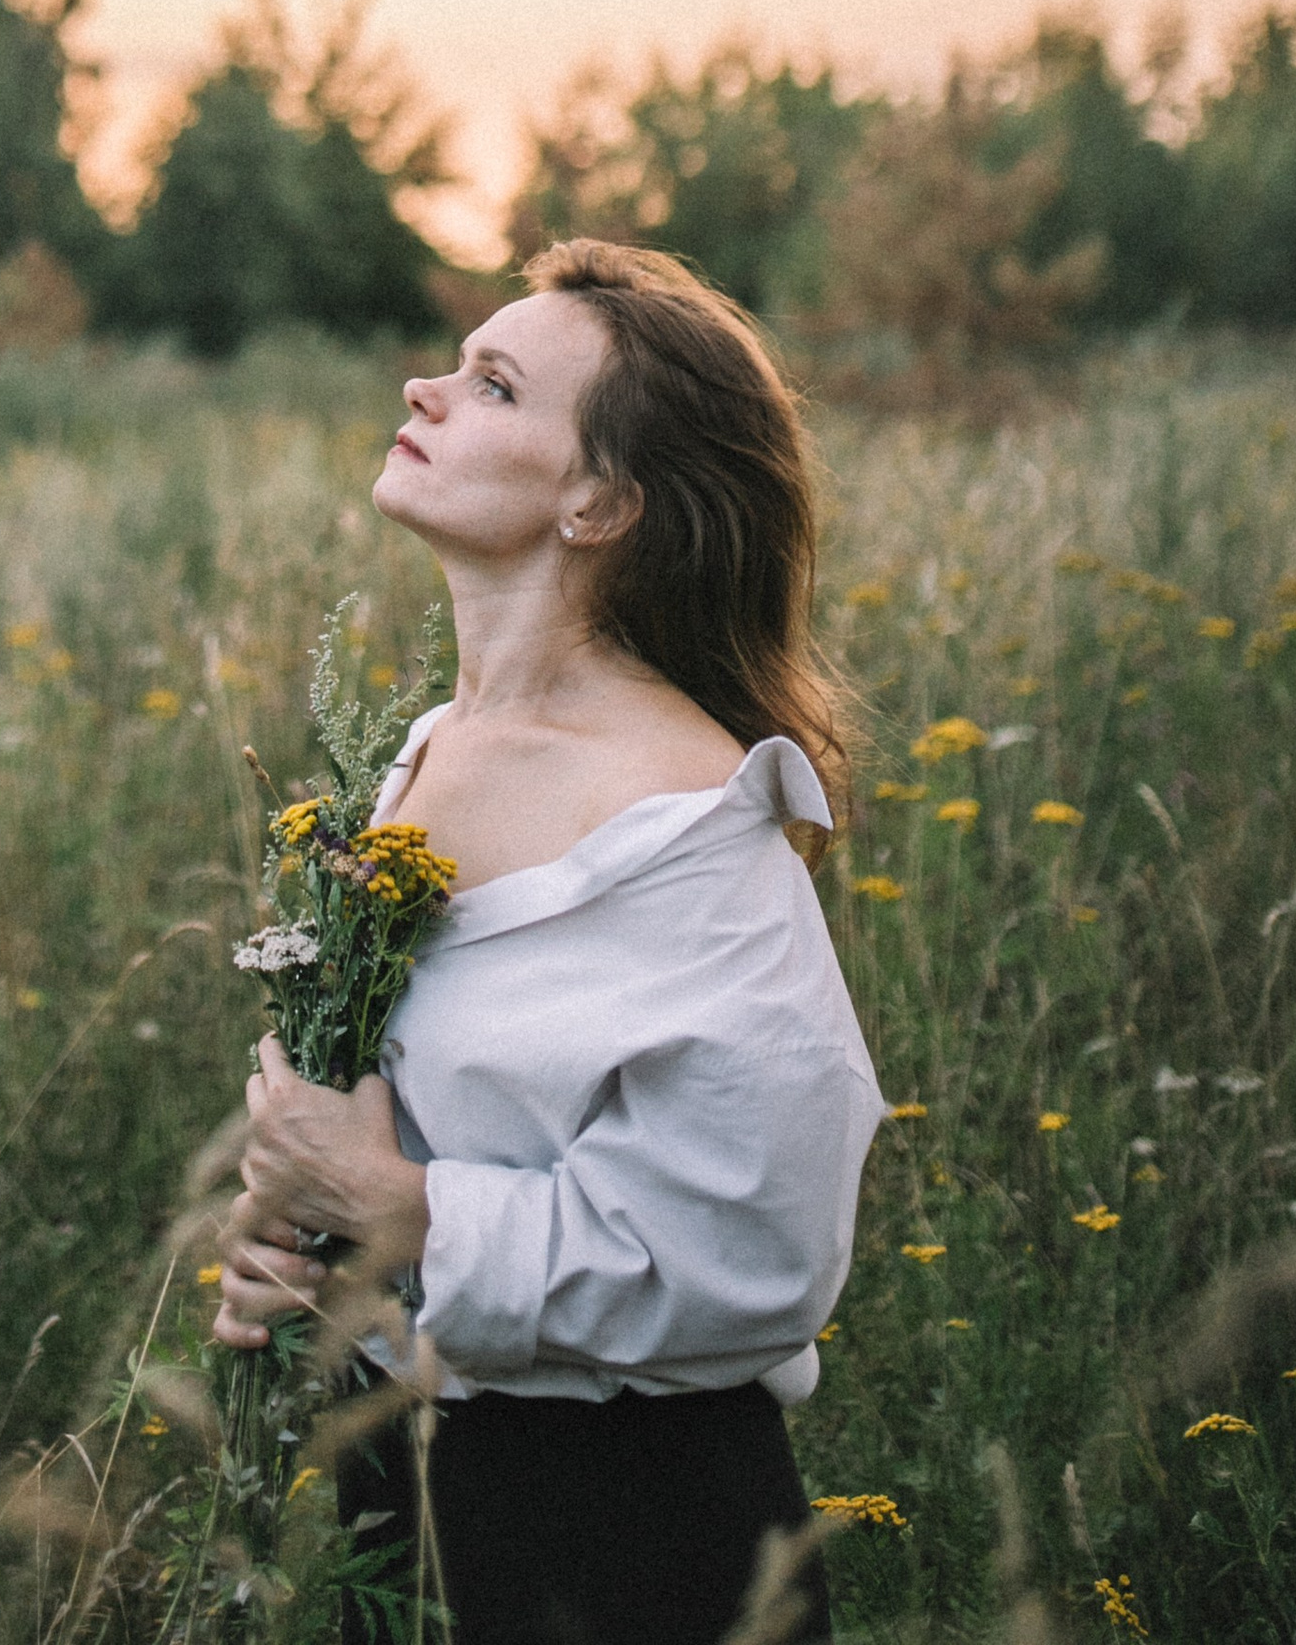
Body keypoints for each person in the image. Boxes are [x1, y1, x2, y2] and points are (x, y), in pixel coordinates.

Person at [213, 238, 884, 1645]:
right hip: (403, 1489)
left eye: (496, 385)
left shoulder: (690, 827)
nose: (426, 388)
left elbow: (760, 1256)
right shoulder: (420, 755)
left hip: (627, 1527)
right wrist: (305, 1248)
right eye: (458, 366)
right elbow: (429, 1122)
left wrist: (400, 1208)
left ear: (601, 501)